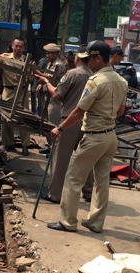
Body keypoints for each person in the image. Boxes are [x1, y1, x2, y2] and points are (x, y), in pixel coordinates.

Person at [46, 40, 128, 233]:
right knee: (101, 182)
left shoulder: (96, 81)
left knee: (73, 178)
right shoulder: (121, 81)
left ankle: (67, 221)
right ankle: (95, 222)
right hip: (110, 137)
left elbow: (78, 112)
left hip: (94, 136)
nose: (88, 63)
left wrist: (60, 128)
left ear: (99, 58)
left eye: (90, 58)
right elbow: (120, 111)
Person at [35, 46, 94, 204]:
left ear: (76, 59)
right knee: (84, 158)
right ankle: (88, 191)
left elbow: (56, 95)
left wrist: (46, 82)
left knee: (60, 157)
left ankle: (55, 194)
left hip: (69, 120)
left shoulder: (72, 74)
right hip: (87, 122)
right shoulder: (94, 76)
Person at [0, 37, 31, 156]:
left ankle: (25, 145)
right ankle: (9, 143)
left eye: (21, 46)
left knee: (23, 118)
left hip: (22, 92)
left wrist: (28, 78)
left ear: (23, 48)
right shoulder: (5, 57)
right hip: (8, 91)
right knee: (5, 116)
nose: (18, 48)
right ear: (12, 46)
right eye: (16, 46)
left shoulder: (27, 60)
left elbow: (30, 76)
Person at [35, 43, 66, 152]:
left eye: (49, 53)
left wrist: (36, 72)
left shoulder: (58, 65)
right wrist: (41, 83)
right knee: (46, 122)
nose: (47, 55)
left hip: (54, 98)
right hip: (46, 96)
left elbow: (49, 77)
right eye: (46, 53)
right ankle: (50, 146)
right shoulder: (50, 63)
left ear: (56, 54)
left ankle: (55, 149)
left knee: (53, 122)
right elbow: (45, 78)